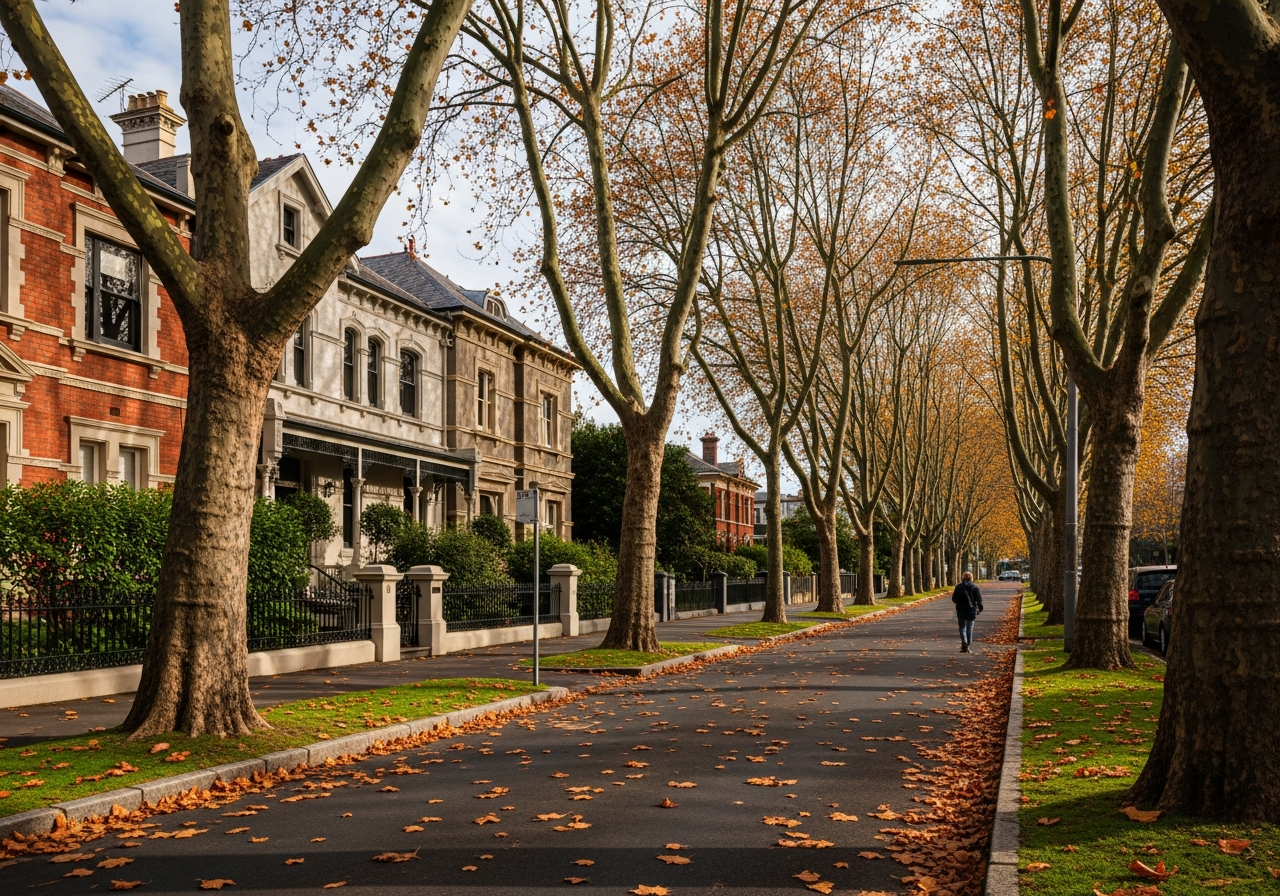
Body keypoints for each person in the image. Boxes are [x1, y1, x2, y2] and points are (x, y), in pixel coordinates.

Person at [951, 571, 984, 653]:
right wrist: (979, 608)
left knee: (962, 628)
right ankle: (967, 644)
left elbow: (954, 599)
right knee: (970, 628)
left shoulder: (958, 587)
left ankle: (964, 642)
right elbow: (979, 599)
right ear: (971, 578)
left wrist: (959, 603)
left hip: (961, 609)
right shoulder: (974, 587)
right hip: (971, 609)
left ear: (962, 578)